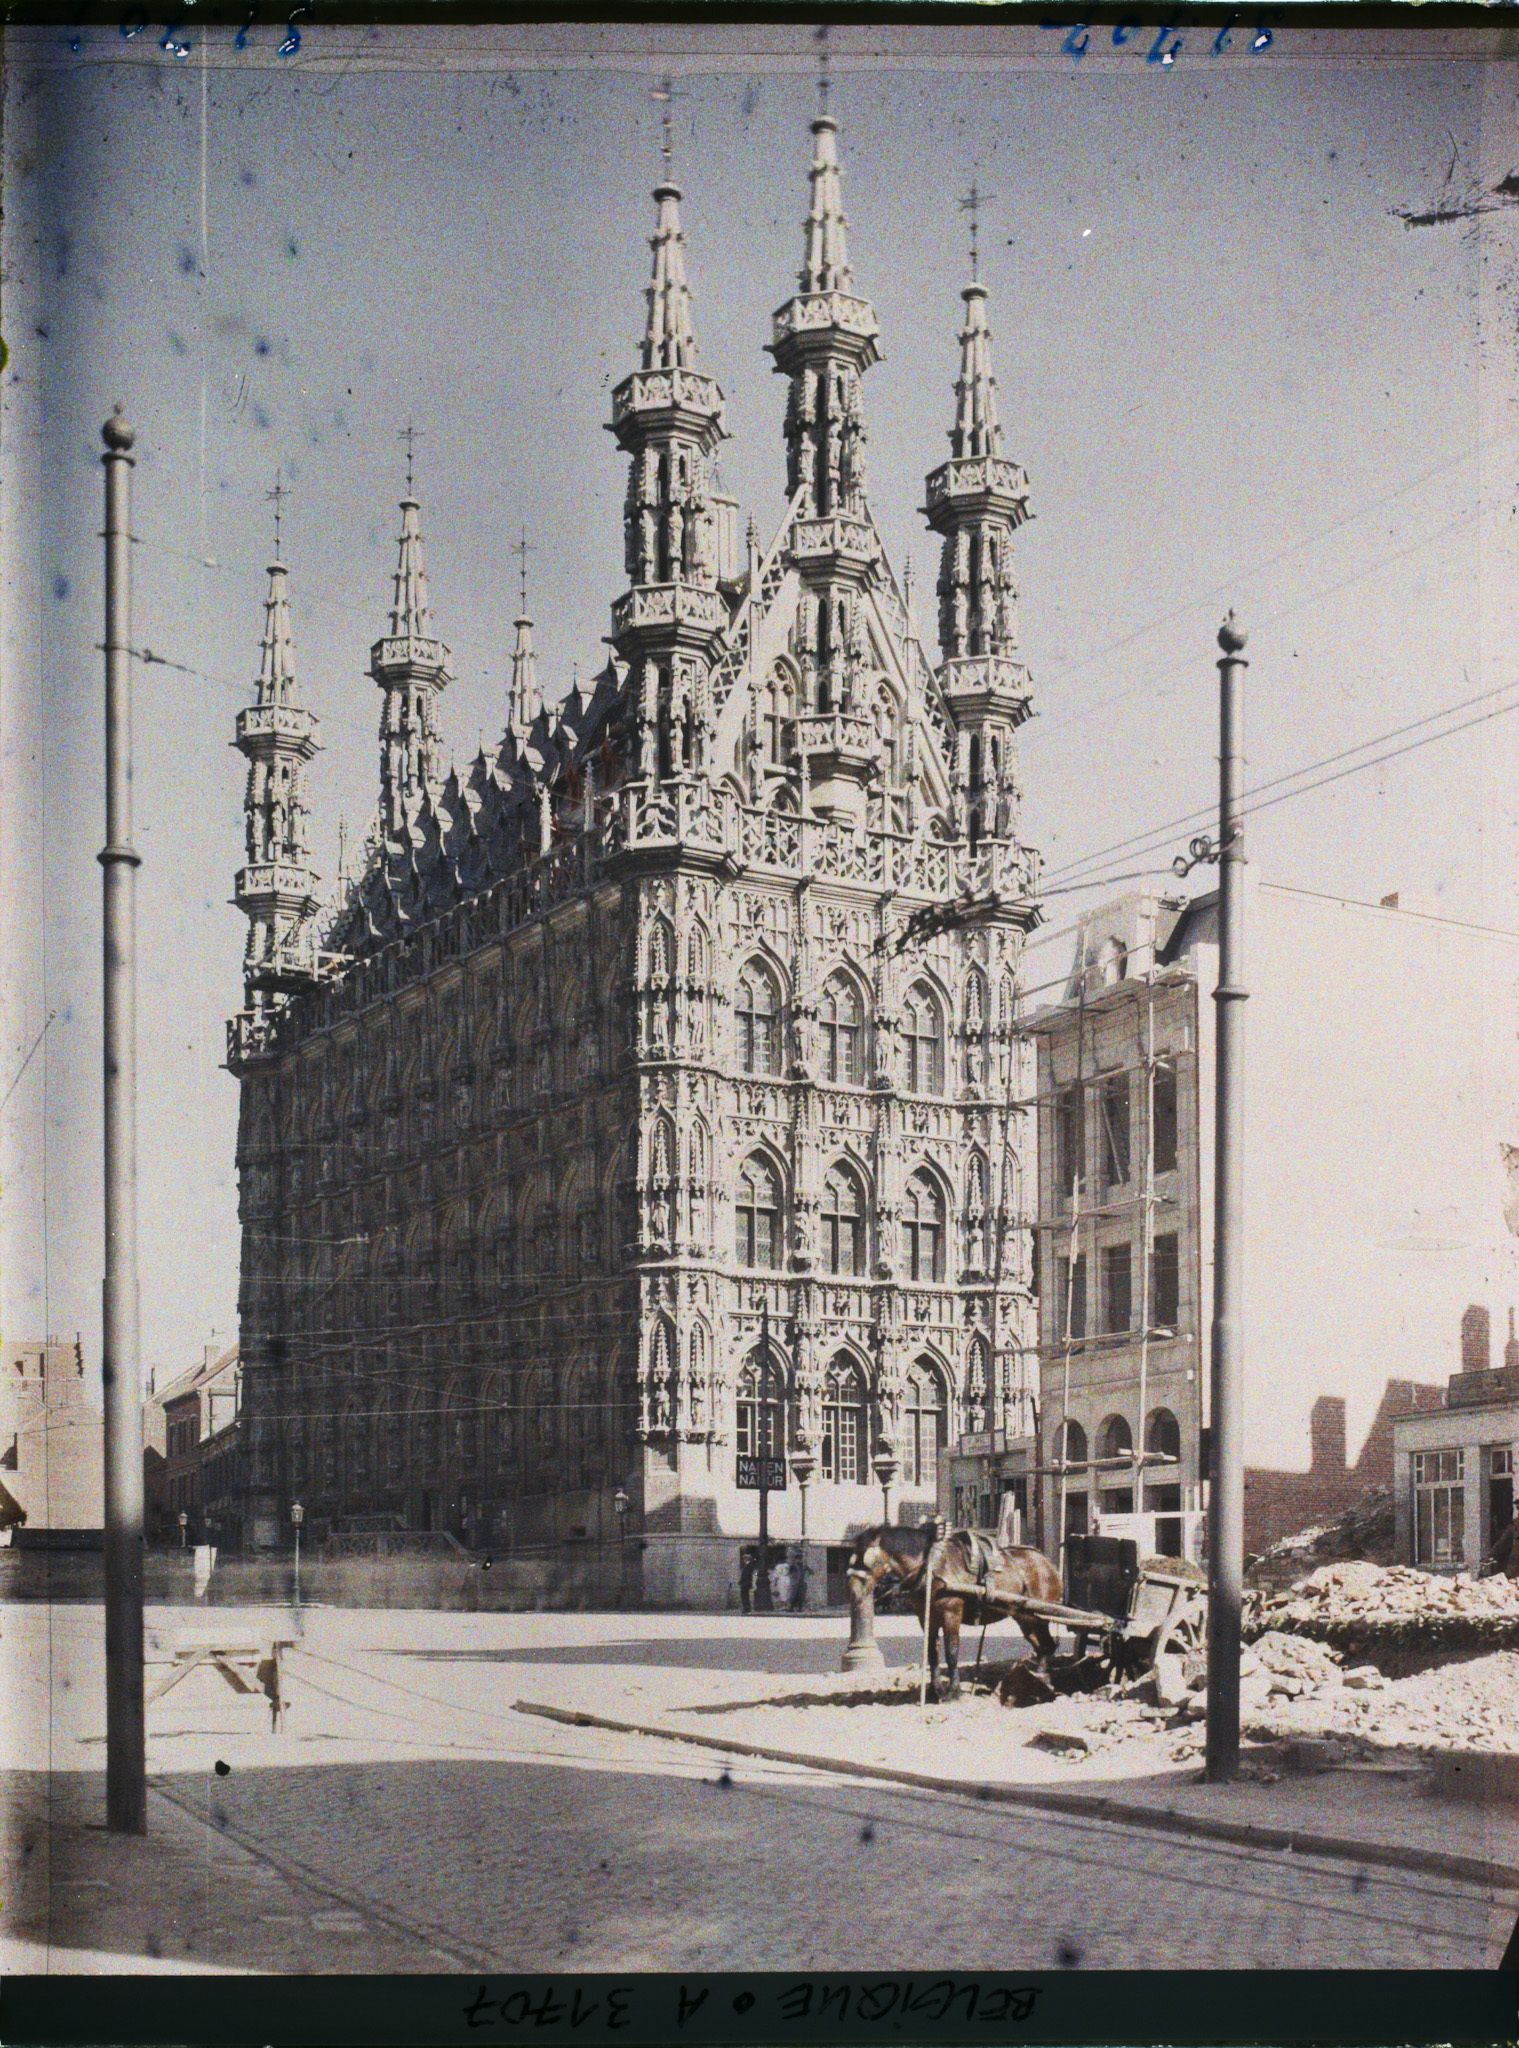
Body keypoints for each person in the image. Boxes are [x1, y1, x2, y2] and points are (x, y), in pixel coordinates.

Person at [738, 1546, 756, 1615]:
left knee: (745, 1596)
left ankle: (746, 1608)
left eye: (744, 1559)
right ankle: (746, 1608)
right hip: (745, 1583)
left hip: (746, 1583)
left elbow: (747, 1575)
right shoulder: (747, 1566)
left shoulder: (749, 1566)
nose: (743, 1560)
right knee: (744, 1596)